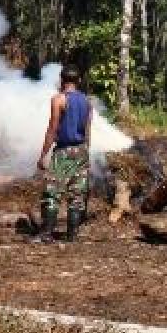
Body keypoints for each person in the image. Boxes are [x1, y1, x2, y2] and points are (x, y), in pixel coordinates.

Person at [34, 65, 93, 244]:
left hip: (63, 151)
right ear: (79, 81)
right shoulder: (87, 101)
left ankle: (47, 234)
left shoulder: (58, 100)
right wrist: (86, 150)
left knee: (52, 192)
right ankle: (72, 236)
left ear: (62, 80)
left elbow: (53, 128)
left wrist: (43, 154)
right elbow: (87, 129)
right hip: (81, 150)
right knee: (77, 195)